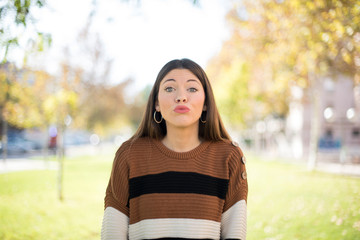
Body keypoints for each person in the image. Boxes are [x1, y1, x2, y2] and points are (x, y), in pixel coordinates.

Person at [101, 58, 248, 240]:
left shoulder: (229, 157)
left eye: (192, 89)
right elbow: (112, 234)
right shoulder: (129, 155)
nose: (181, 96)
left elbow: (235, 235)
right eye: (169, 88)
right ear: (156, 104)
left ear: (206, 103)